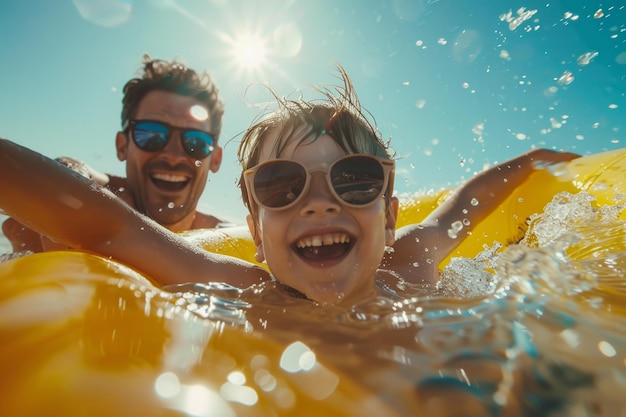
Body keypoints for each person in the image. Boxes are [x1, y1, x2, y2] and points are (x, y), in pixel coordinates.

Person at [0, 65, 579, 305]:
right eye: (280, 185)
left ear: (392, 214)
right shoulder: (244, 289)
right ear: (254, 230)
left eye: (354, 181)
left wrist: (531, 162)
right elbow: (109, 227)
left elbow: (464, 207)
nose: (319, 201)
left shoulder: (409, 264)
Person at [2, 55, 226, 253]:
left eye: (196, 142)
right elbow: (72, 173)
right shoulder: (104, 196)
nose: (174, 155)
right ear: (122, 146)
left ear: (215, 159)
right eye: (151, 135)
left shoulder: (226, 241)